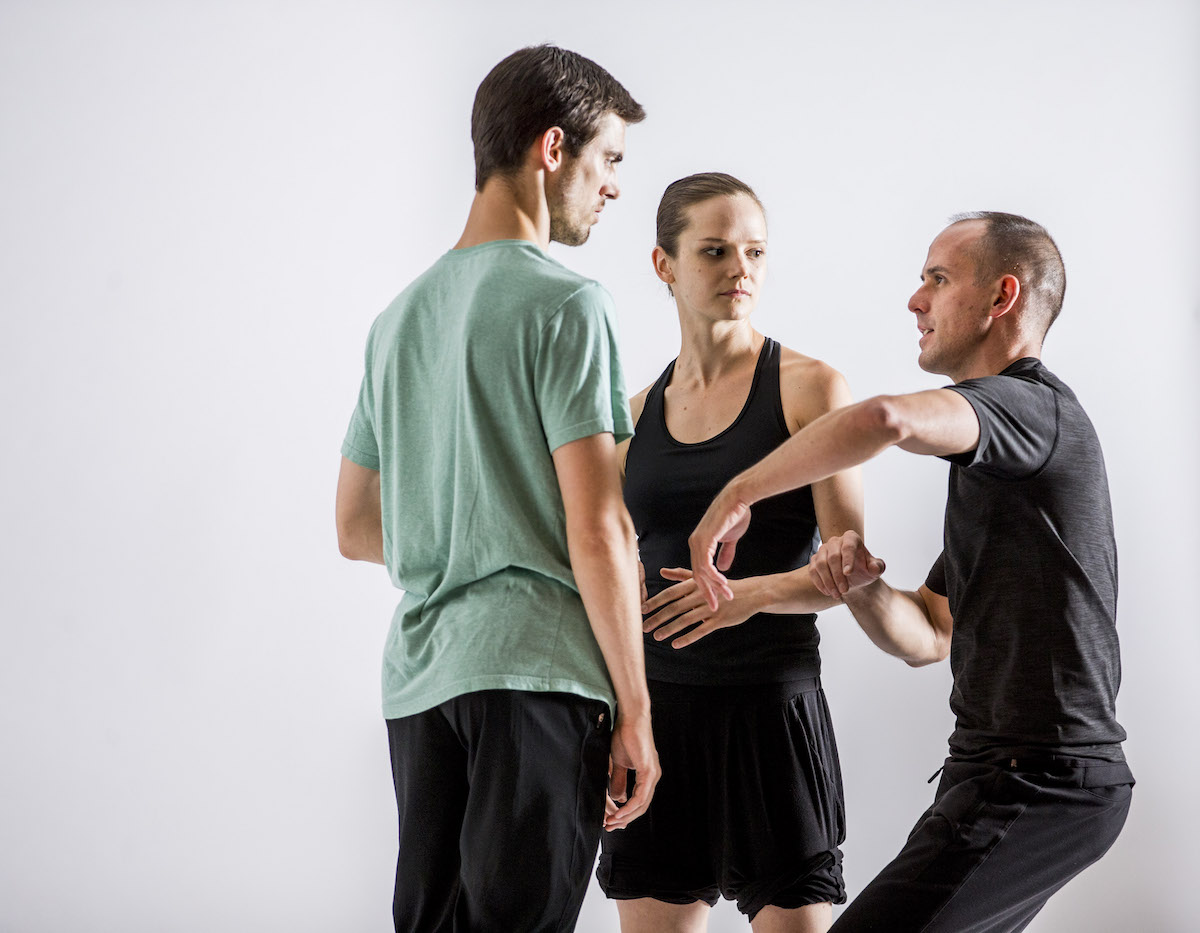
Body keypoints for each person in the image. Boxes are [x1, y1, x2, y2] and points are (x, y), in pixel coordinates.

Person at [687, 212, 1133, 932]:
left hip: (1040, 779)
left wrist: (739, 491)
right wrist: (860, 587)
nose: (914, 300)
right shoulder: (1004, 471)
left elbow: (888, 417)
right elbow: (927, 634)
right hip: (999, 777)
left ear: (1001, 297)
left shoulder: (1031, 408)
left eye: (937, 278)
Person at [335, 45, 660, 933]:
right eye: (611, 160)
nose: (616, 188)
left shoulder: (396, 321)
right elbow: (599, 528)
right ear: (553, 148)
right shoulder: (566, 304)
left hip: (421, 681)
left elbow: (355, 524)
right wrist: (636, 709)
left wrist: (455, 535)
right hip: (538, 672)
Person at [596, 173, 864, 933]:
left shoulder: (812, 389)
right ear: (664, 265)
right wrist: (619, 710)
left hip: (771, 712)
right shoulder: (635, 415)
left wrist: (748, 594)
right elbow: (604, 570)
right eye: (714, 251)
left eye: (754, 251)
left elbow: (848, 571)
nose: (739, 269)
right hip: (660, 717)